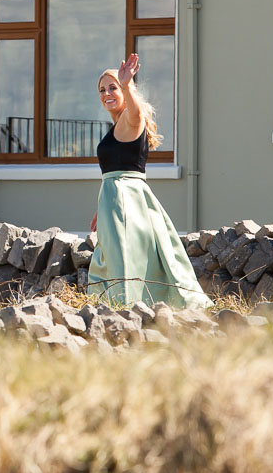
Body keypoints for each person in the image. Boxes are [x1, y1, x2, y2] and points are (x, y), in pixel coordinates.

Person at [88, 53, 212, 310]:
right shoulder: (117, 128)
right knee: (124, 252)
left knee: (123, 253)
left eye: (112, 88)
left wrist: (126, 84)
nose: (106, 93)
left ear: (124, 91)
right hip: (119, 197)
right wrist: (101, 210)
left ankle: (125, 306)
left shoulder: (130, 121)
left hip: (125, 197)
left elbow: (134, 112)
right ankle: (128, 304)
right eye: (102, 89)